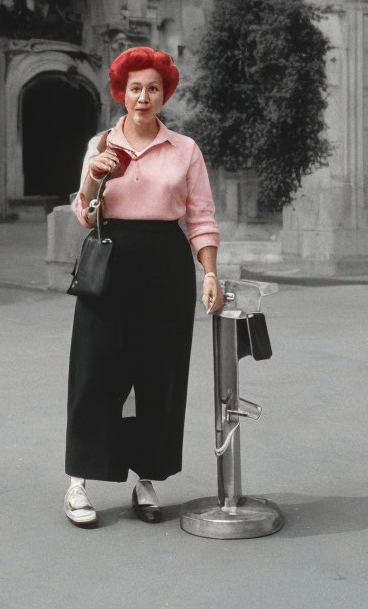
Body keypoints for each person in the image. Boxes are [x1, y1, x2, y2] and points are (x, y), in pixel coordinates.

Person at [63, 47, 223, 527]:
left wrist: (210, 272)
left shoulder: (186, 149)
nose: (143, 96)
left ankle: (146, 478)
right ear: (122, 92)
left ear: (164, 93)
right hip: (110, 258)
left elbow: (201, 217)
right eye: (135, 87)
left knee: (159, 374)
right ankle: (78, 482)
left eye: (153, 87)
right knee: (96, 368)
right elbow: (84, 214)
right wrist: (94, 178)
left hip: (165, 264)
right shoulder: (101, 145)